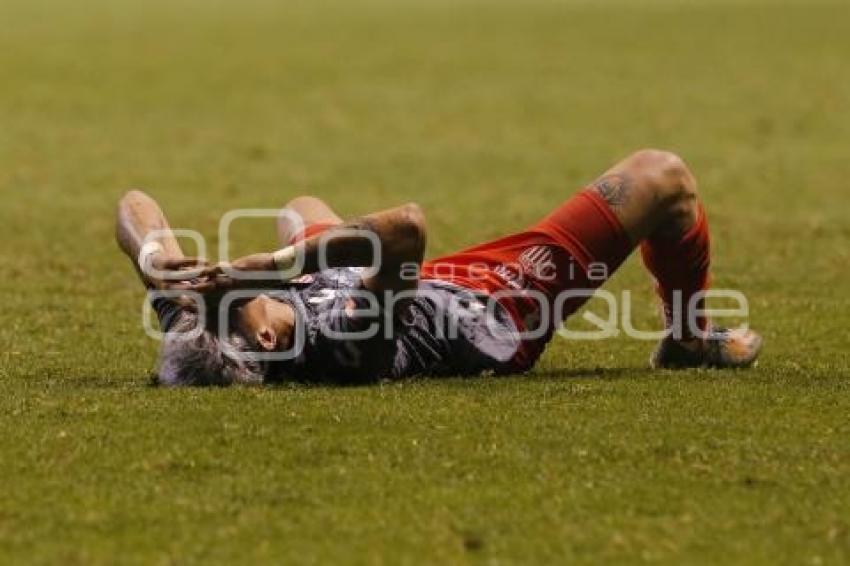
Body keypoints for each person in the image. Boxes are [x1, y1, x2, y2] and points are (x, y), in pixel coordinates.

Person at [116, 149, 763, 386]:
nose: (217, 279)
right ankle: (687, 337)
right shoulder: (347, 347)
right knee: (663, 178)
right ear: (265, 338)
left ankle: (309, 245)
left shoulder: (198, 325)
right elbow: (407, 228)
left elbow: (133, 206)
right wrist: (277, 261)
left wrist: (159, 259)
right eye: (227, 292)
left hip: (384, 278)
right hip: (491, 306)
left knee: (301, 205)